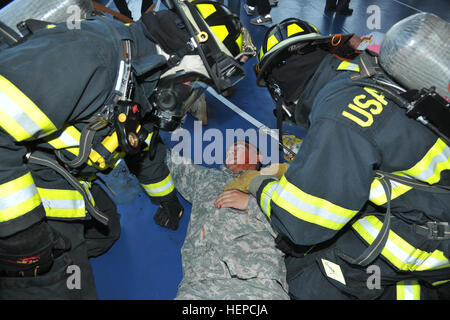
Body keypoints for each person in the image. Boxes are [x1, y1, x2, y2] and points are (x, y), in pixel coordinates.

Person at [0, 0, 252, 299]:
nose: (189, 95)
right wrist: (21, 232)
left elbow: (142, 144)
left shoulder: (142, 74)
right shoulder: (89, 55)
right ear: (182, 54)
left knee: (105, 232)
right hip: (18, 180)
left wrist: (167, 199)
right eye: (195, 84)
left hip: (56, 169)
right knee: (68, 285)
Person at [224, 15, 450, 299]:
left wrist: (258, 185)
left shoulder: (337, 114)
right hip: (431, 202)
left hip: (430, 236)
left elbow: (302, 223)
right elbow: (351, 153)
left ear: (279, 89)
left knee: (306, 278)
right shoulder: (362, 72)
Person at [167, 141, 289, 299]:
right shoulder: (206, 178)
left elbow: (295, 225)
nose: (231, 152)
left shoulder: (274, 186)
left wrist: (250, 203)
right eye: (229, 152)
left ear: (259, 157)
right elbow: (171, 161)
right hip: (200, 283)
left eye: (239, 149)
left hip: (259, 283)